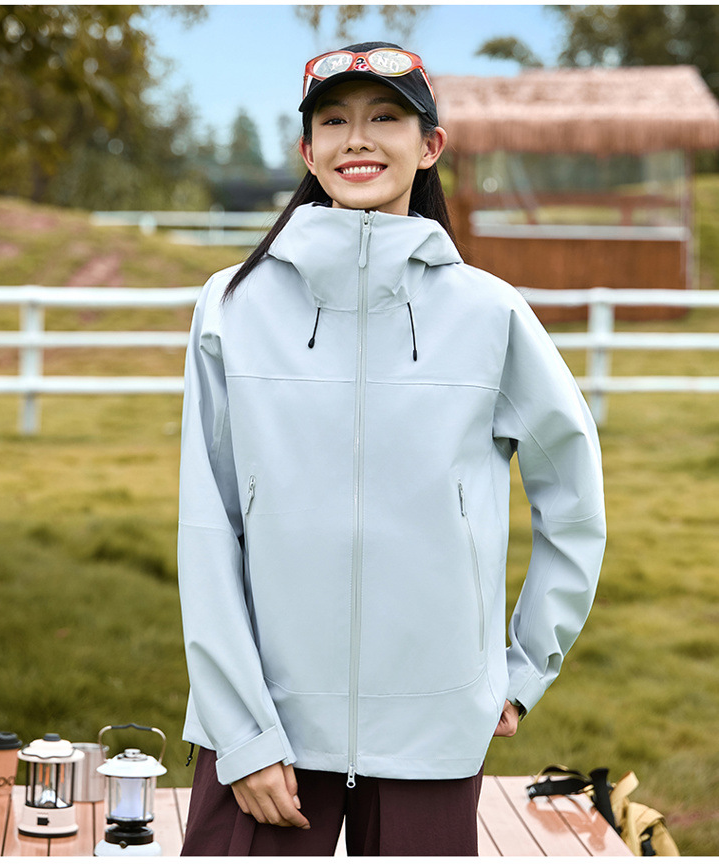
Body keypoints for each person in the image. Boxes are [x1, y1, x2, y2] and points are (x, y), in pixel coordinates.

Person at [177, 41, 606, 856]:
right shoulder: (231, 306)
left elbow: (575, 501)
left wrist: (522, 669)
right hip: (267, 728)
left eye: (385, 117)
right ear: (307, 151)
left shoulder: (490, 314)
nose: (358, 139)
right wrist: (242, 731)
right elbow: (208, 522)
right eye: (333, 121)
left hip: (435, 726)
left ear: (430, 144)